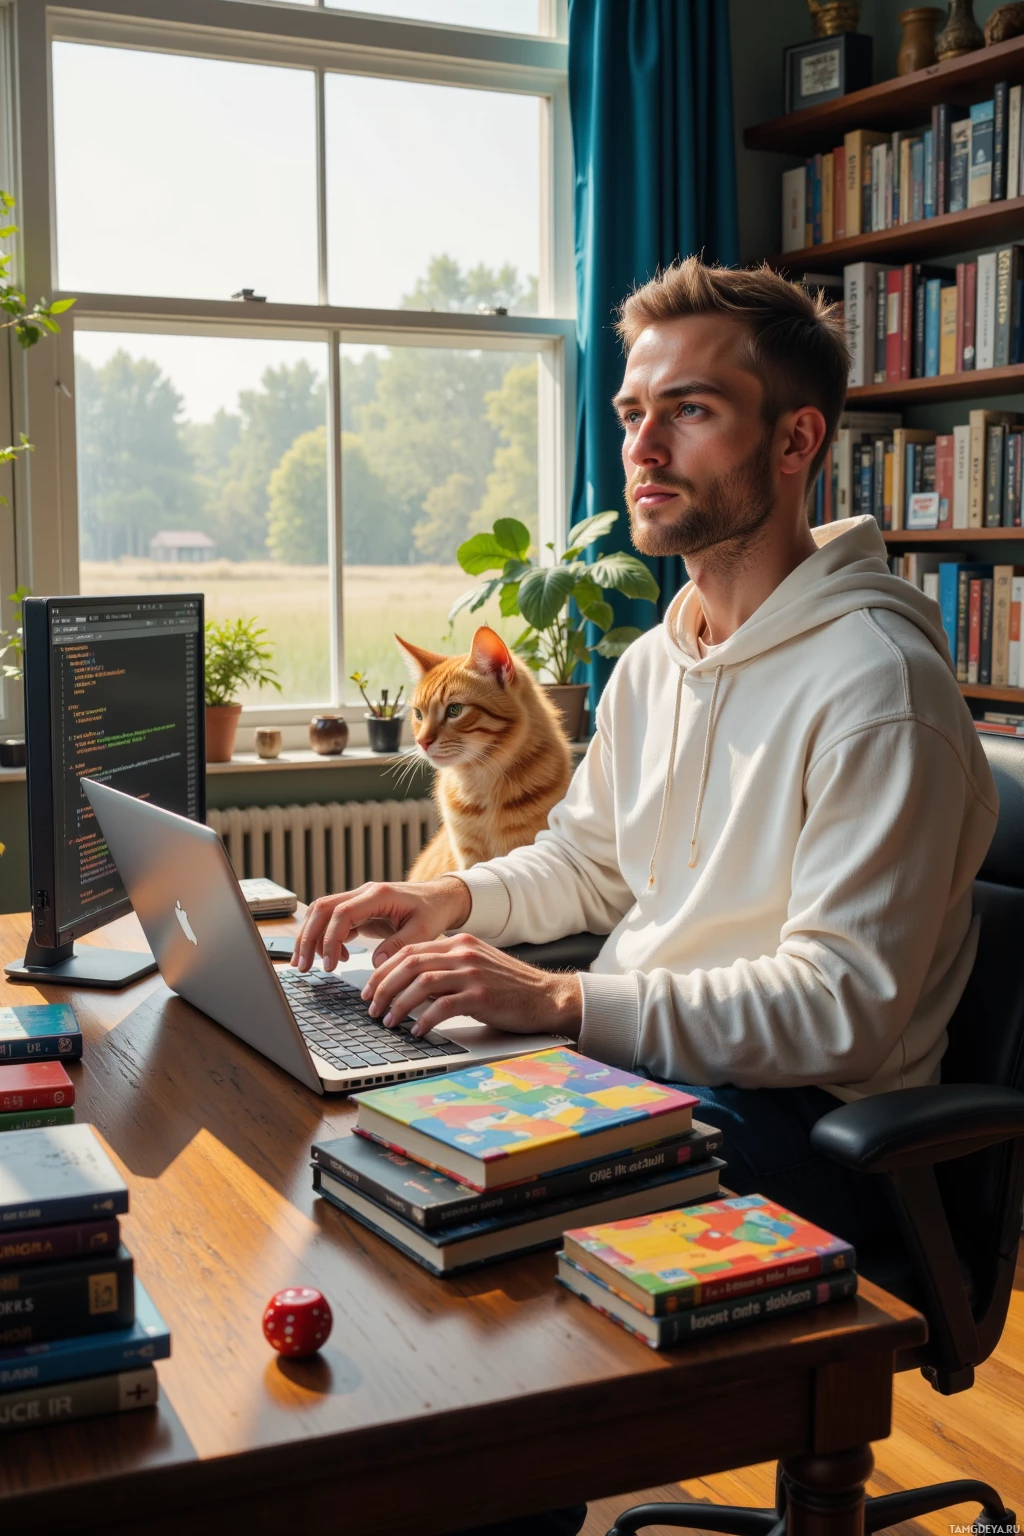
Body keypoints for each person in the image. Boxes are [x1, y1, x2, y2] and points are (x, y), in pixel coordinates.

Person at [293, 259, 999, 1533]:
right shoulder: (657, 663)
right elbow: (589, 861)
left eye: (690, 411)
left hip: (804, 1130)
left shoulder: (875, 689)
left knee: (471, 1332)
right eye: (631, 414)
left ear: (793, 440)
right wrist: (451, 908)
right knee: (368, 1179)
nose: (644, 445)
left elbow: (838, 1009)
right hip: (654, 1080)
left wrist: (563, 1000)